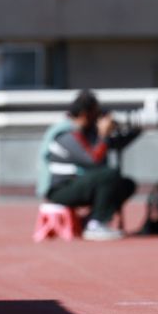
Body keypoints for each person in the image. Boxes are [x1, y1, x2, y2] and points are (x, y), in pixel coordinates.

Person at [36, 90, 141, 241]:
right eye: (96, 113)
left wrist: (138, 127)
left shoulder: (86, 132)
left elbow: (115, 144)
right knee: (108, 175)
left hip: (78, 183)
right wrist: (103, 135)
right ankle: (96, 225)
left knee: (125, 184)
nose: (99, 117)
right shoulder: (67, 133)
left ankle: (88, 221)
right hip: (60, 189)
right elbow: (93, 159)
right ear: (85, 114)